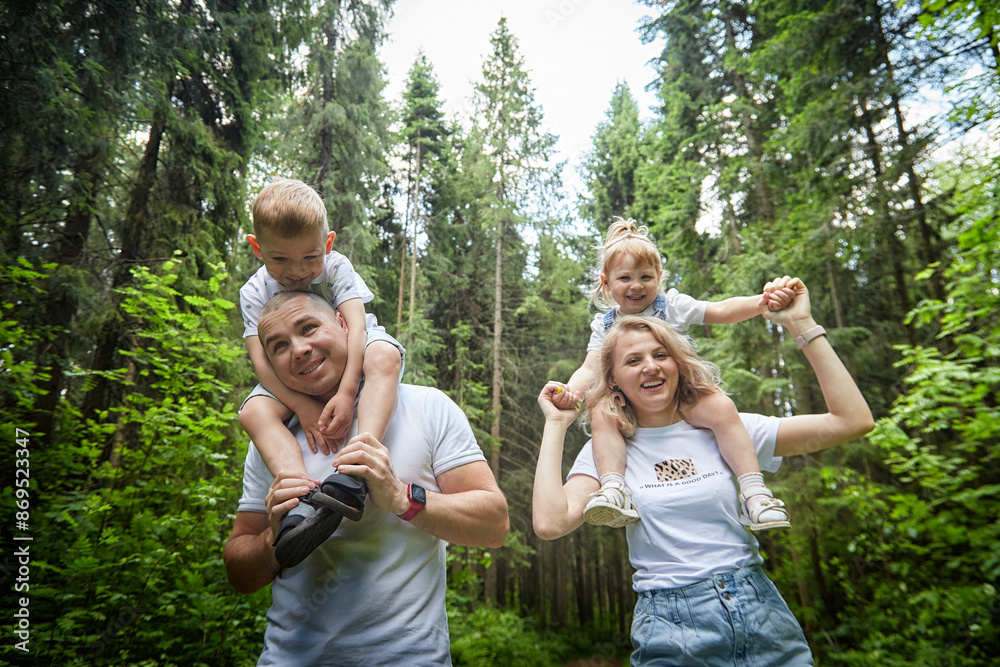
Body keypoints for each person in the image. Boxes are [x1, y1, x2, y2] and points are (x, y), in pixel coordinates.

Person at [533, 277, 874, 666]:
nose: (650, 366)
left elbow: (851, 421)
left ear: (677, 362)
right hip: (672, 627)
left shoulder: (725, 429)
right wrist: (556, 425)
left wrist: (802, 325)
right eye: (632, 360)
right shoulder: (609, 453)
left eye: (660, 354)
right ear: (613, 381)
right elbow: (550, 522)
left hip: (762, 611)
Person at [224, 291, 509, 666]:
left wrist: (404, 498)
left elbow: (494, 525)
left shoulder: (427, 407)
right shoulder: (274, 438)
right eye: (279, 346)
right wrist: (271, 540)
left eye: (308, 328)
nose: (298, 349)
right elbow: (239, 573)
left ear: (344, 325)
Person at [552, 218, 792, 530]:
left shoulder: (673, 306)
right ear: (606, 284)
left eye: (646, 277)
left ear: (660, 278)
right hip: (631, 403)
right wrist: (570, 394)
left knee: (721, 407)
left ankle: (754, 492)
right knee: (601, 414)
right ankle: (613, 488)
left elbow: (721, 310)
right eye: (625, 277)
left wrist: (762, 303)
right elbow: (589, 368)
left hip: (684, 395)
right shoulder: (605, 324)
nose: (636, 285)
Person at [238, 178, 405, 567]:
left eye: (310, 258)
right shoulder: (253, 292)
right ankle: (297, 503)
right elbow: (261, 360)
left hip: (352, 347)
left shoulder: (336, 267)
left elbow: (357, 326)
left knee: (384, 357)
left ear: (327, 244)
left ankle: (353, 473)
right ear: (257, 248)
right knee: (252, 412)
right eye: (280, 260)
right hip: (291, 378)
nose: (297, 271)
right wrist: (302, 406)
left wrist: (347, 394)